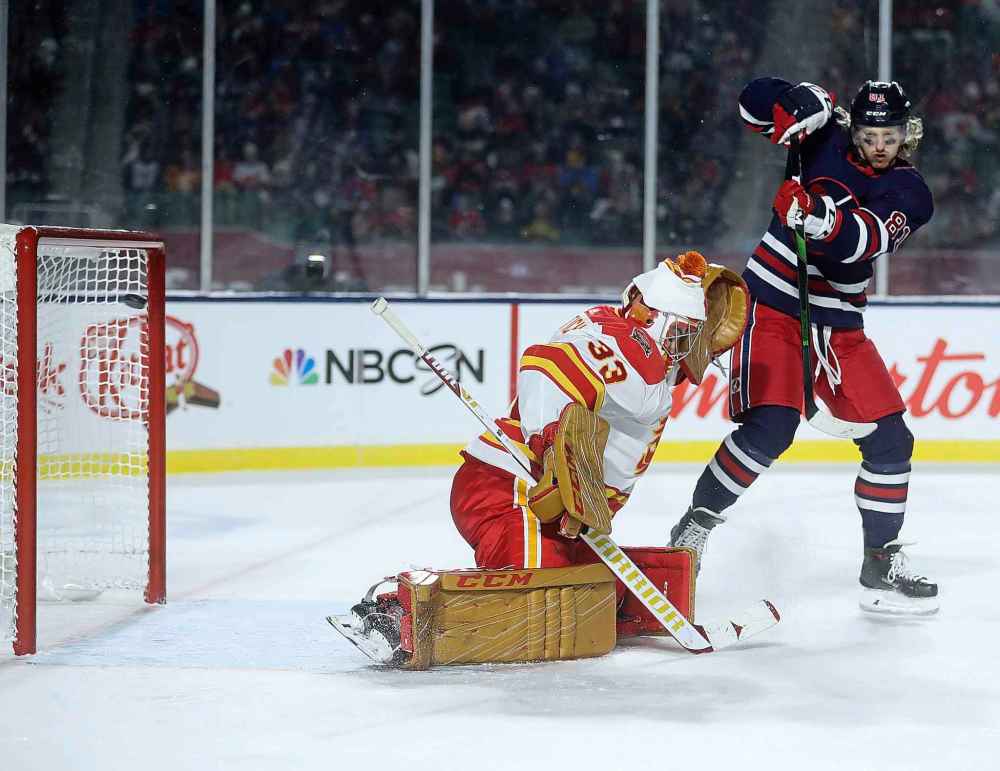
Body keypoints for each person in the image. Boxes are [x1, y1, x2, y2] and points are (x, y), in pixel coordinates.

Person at [335, 253, 748, 666]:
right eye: (683, 332)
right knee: (539, 597)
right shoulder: (630, 347)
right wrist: (554, 447)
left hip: (553, 510)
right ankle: (396, 617)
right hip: (513, 489)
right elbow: (544, 365)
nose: (691, 344)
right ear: (649, 316)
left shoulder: (630, 338)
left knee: (601, 594)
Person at [667, 78, 939, 615]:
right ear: (851, 128)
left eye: (889, 136)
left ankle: (879, 559)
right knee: (772, 425)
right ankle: (693, 527)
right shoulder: (820, 139)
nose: (879, 146)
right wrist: (797, 100)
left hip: (838, 326)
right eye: (868, 133)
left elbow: (861, 243)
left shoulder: (911, 192)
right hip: (771, 305)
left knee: (891, 441)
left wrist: (818, 219)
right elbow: (750, 105)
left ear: (906, 135)